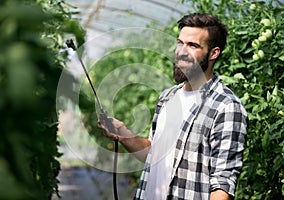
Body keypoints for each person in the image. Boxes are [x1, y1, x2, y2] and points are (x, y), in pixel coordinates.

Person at [98, 13, 248, 200]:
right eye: (180, 43)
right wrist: (122, 133)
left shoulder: (226, 107)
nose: (181, 52)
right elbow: (153, 154)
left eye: (192, 45)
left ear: (213, 53)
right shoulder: (168, 97)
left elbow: (222, 185)